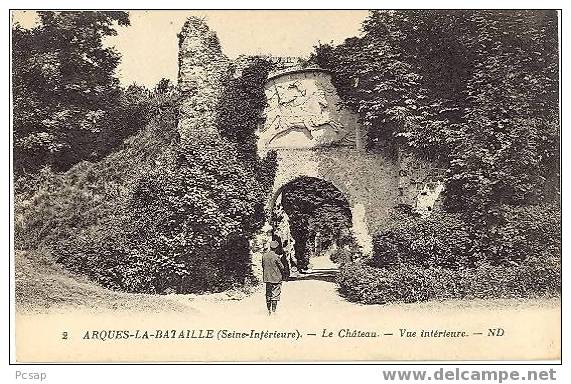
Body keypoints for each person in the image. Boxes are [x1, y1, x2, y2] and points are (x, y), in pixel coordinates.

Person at [262, 240, 285, 316]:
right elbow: (282, 267)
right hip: (276, 278)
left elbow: (263, 266)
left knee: (268, 294)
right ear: (276, 248)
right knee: (275, 294)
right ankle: (274, 311)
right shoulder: (276, 256)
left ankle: (268, 311)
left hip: (267, 278)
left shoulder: (264, 256)